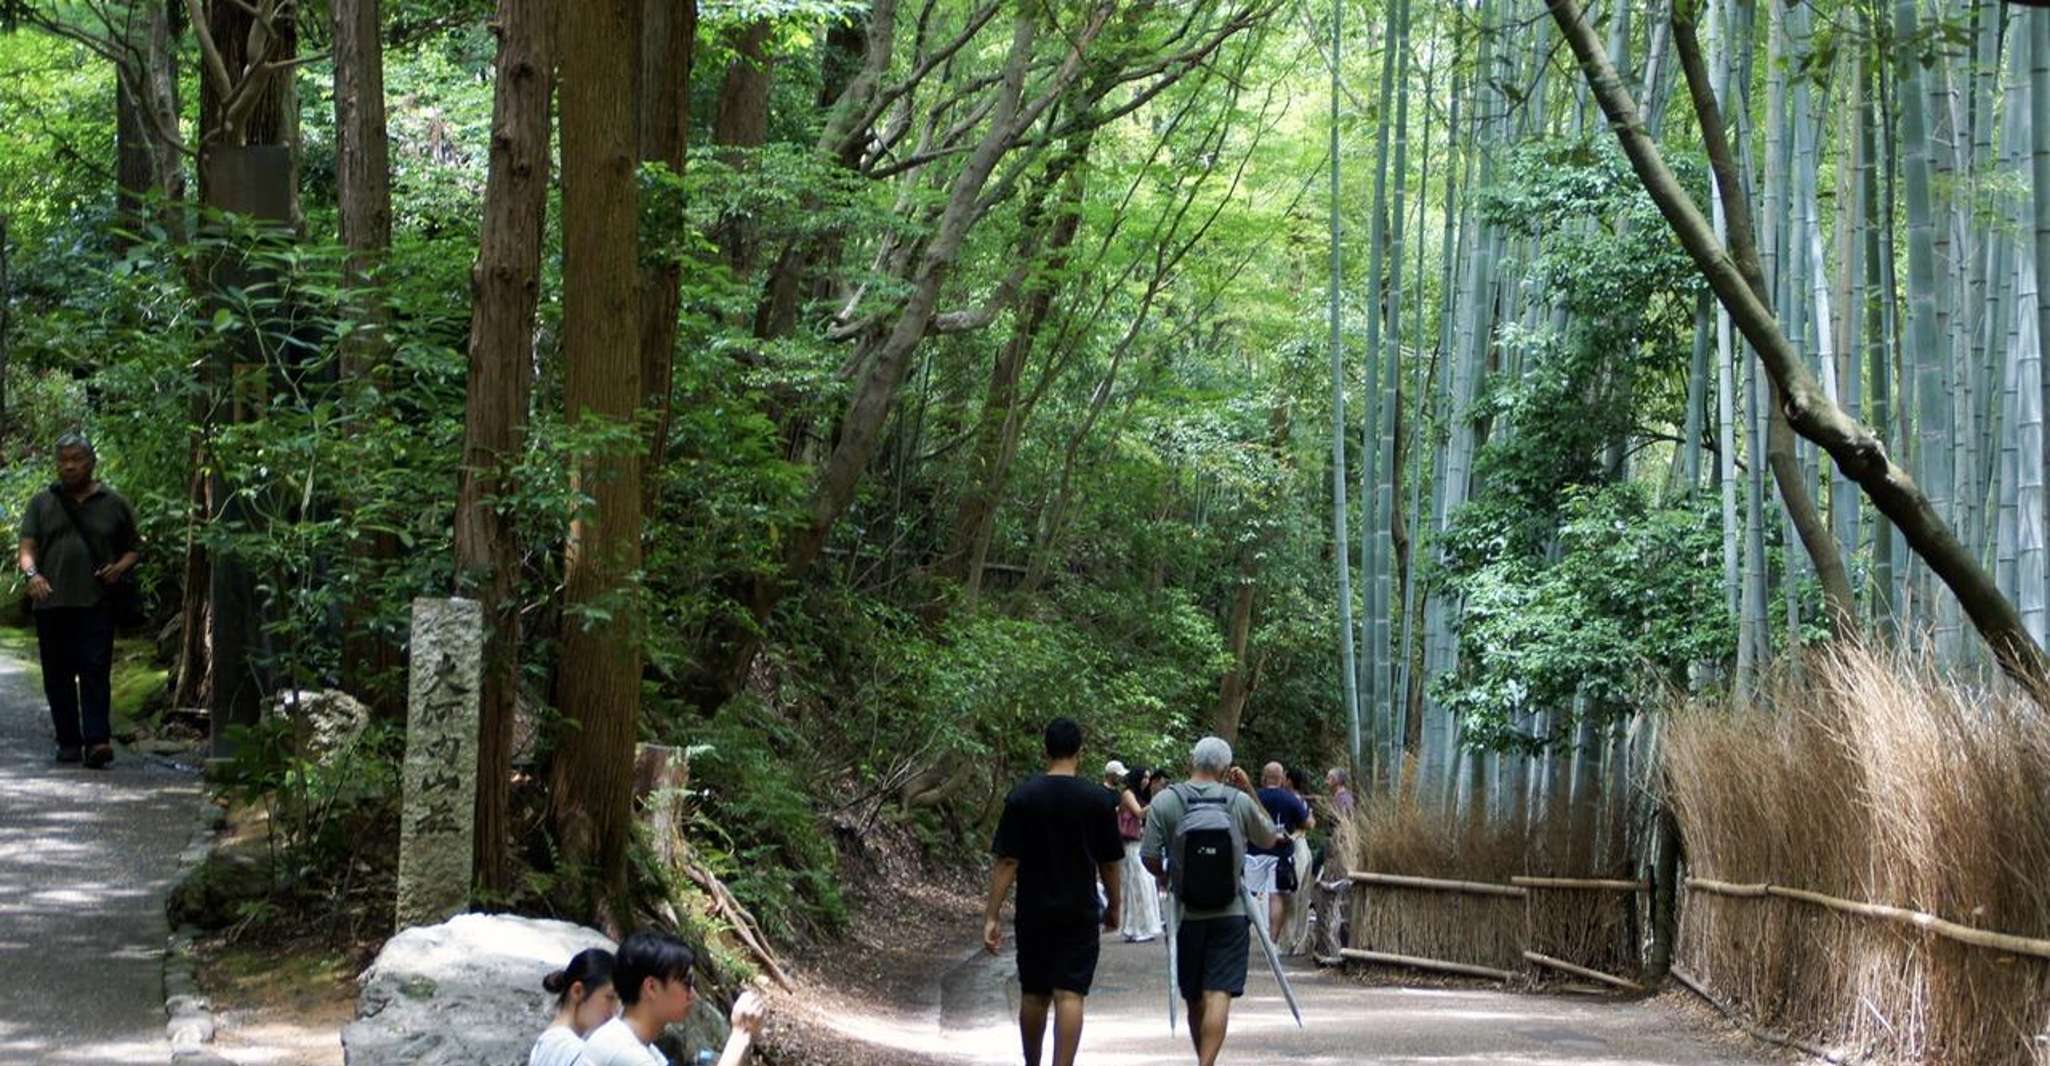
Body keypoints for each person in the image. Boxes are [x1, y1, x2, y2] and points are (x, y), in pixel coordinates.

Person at [984, 718, 1124, 1066]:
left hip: (1034, 908)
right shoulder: (1097, 800)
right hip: (1079, 908)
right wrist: (1115, 905)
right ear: (1080, 752)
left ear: (1044, 749)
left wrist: (991, 915)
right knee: (1070, 994)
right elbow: (1109, 863)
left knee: (1033, 993)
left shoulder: (1022, 797)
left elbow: (1007, 862)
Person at [1141, 736, 1280, 1066]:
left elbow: (1148, 855)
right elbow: (1269, 838)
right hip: (1230, 912)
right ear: (1225, 768)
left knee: (1193, 996)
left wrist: (1166, 876)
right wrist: (1248, 789)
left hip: (1186, 913)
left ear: (1192, 760)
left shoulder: (1165, 801)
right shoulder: (1237, 801)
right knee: (1218, 992)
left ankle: (1204, 1062)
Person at [17, 433, 140, 769]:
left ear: (91, 462)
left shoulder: (114, 503)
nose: (68, 466)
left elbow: (134, 548)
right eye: (62, 460)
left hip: (96, 603)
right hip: (51, 604)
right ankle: (68, 741)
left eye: (76, 459)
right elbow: (27, 548)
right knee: (57, 676)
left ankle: (97, 741)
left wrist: (118, 569)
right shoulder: (42, 503)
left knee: (95, 671)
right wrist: (33, 576)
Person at [578, 931, 765, 1066]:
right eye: (686, 983)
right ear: (651, 987)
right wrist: (740, 1035)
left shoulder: (637, 1044)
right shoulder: (623, 1053)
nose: (692, 994)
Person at [1246, 762, 1313, 943]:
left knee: (1250, 894)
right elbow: (1307, 823)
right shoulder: (1290, 799)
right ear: (1282, 777)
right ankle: (1272, 941)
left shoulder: (1253, 797)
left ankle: (1242, 934)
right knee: (1276, 896)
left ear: (1263, 777)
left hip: (1254, 852)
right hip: (1280, 854)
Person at [530, 948, 619, 1066]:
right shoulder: (574, 1053)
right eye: (610, 997)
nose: (614, 1011)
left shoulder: (544, 1044)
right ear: (577, 991)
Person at [1108, 761, 1163, 943]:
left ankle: (1146, 926)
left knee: (1145, 884)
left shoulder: (1140, 795)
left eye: (1149, 777)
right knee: (1136, 885)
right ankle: (1134, 928)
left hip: (1139, 844)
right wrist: (1158, 800)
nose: (1147, 780)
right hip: (1131, 846)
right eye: (1145, 776)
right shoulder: (1128, 794)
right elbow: (1139, 813)